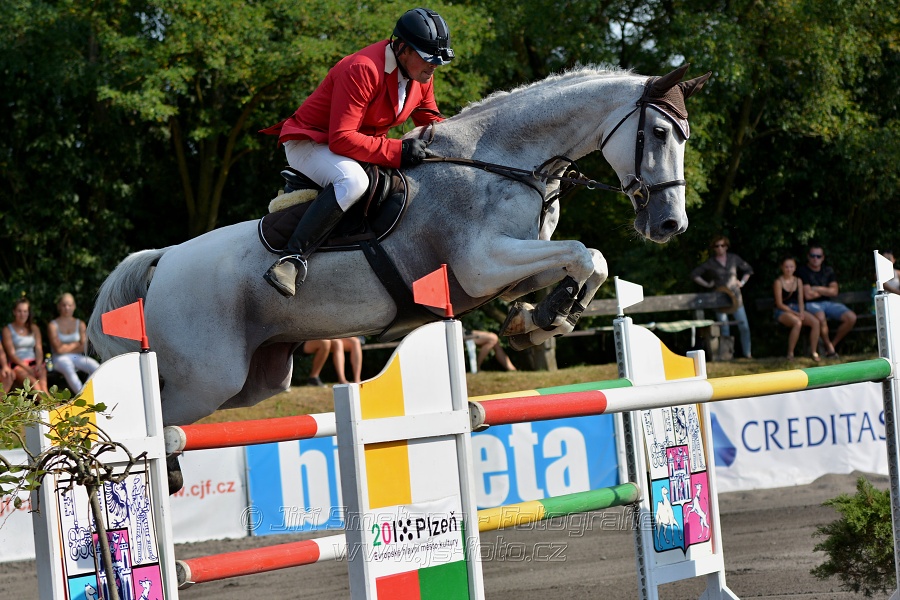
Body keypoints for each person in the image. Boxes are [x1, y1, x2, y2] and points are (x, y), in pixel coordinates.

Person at [260, 7, 454, 297]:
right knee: (353, 182)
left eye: (437, 61)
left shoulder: (421, 74)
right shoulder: (363, 68)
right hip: (313, 143)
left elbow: (432, 123)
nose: (434, 66)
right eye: (428, 59)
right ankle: (291, 259)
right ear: (402, 49)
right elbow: (341, 139)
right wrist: (398, 150)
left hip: (356, 147)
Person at [691, 235, 754, 359]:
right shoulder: (711, 262)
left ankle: (748, 354)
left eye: (722, 245)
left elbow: (748, 270)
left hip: (736, 298)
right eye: (717, 246)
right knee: (724, 328)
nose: (720, 248)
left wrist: (742, 282)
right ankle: (727, 356)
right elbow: (694, 274)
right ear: (714, 248)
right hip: (719, 299)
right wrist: (708, 284)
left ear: (726, 246)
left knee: (744, 327)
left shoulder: (733, 258)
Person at [797, 244, 854, 355]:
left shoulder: (828, 270)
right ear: (808, 257)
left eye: (818, 256)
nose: (815, 259)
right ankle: (829, 347)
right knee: (820, 316)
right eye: (813, 256)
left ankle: (832, 344)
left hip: (828, 303)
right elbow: (808, 295)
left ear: (823, 258)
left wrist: (816, 288)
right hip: (811, 304)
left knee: (851, 318)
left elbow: (835, 291)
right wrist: (827, 290)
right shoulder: (803, 271)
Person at [47, 293, 100, 393]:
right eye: (64, 305)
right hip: (59, 358)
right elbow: (58, 349)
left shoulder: (80, 324)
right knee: (68, 368)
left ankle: (85, 393)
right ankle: (81, 396)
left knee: (96, 367)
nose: (67, 308)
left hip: (77, 356)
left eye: (70, 305)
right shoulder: (53, 325)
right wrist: (76, 343)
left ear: (74, 306)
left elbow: (84, 347)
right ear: (59, 306)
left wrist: (65, 346)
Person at [773, 257, 821, 361]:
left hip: (797, 309)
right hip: (783, 310)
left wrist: (802, 312)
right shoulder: (778, 282)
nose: (789, 269)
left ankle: (813, 352)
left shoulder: (798, 281)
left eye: (791, 267)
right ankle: (790, 353)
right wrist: (795, 313)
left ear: (795, 268)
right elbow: (779, 303)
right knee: (797, 323)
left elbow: (800, 300)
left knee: (816, 322)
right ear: (782, 268)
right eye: (786, 267)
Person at [1, 298, 48, 394]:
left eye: (25, 311)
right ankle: (52, 406)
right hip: (18, 365)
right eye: (19, 311)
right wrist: (27, 368)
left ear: (28, 313)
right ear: (14, 312)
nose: (22, 314)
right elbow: (12, 354)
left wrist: (39, 364)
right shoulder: (7, 329)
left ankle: (52, 406)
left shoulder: (34, 328)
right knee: (34, 384)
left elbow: (39, 348)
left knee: (43, 386)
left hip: (35, 363)